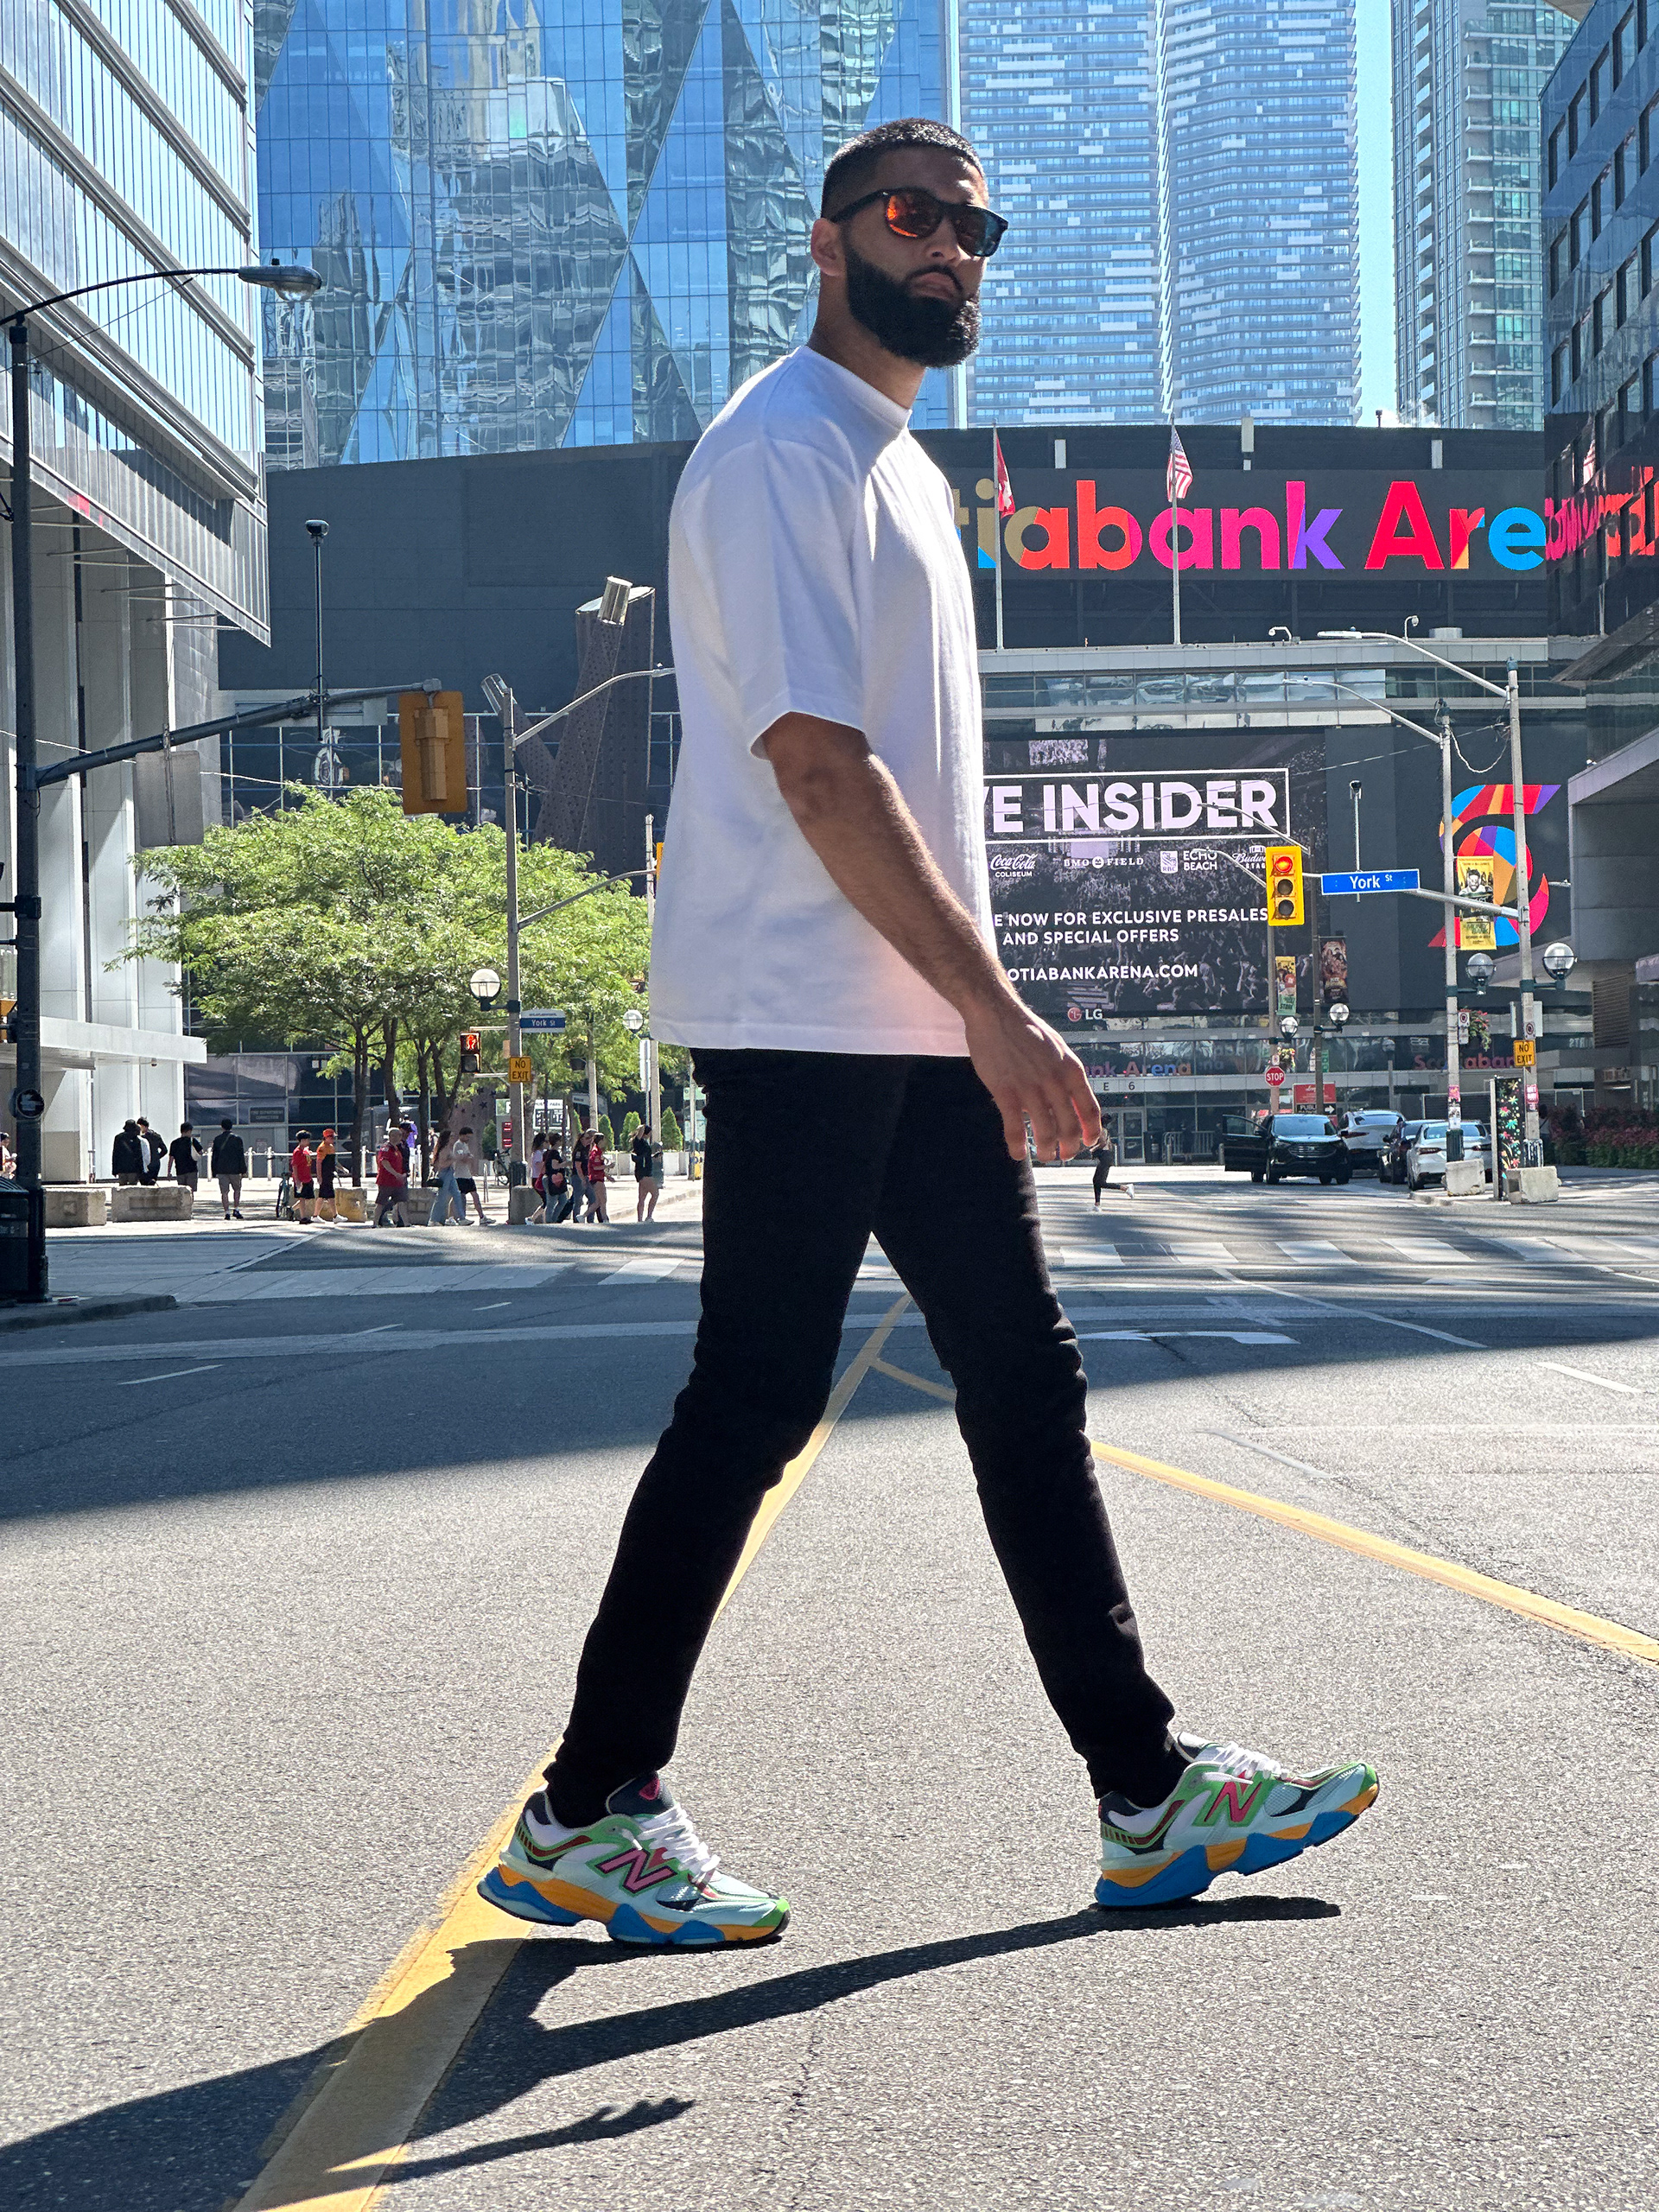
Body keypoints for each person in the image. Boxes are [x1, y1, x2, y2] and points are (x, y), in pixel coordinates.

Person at [478, 118, 1376, 1950]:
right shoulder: (781, 452)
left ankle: (1147, 1790)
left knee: (1024, 1380)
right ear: (827, 243)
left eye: (978, 228)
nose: (952, 250)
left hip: (895, 1020)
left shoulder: (895, 469)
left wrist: (969, 1014)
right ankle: (588, 1802)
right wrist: (1003, 1009)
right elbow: (817, 764)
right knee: (753, 1400)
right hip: (810, 1015)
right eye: (915, 218)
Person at [451, 1123, 490, 1224]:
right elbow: (461, 1158)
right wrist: (468, 1157)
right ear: (463, 1135)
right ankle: (461, 1217)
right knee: (462, 1197)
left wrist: (469, 1157)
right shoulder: (458, 1144)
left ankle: (482, 1217)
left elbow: (468, 1157)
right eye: (467, 1137)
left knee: (475, 1195)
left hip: (467, 1175)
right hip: (460, 1176)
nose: (468, 1139)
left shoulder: (465, 1145)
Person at [374, 1121, 409, 1227]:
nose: (396, 1137)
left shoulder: (397, 1148)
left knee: (401, 1201)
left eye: (398, 1135)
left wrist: (403, 1175)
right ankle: (375, 1223)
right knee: (381, 1203)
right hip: (386, 1181)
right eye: (393, 1135)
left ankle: (406, 1223)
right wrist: (395, 1174)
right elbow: (384, 1162)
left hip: (397, 1182)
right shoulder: (386, 1148)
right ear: (389, 1136)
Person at [211, 1118, 246, 1218]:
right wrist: (243, 1169)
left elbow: (215, 1157)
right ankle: (236, 1209)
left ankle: (227, 1212)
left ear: (222, 1127)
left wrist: (214, 1170)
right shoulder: (237, 1139)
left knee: (224, 1192)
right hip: (235, 1170)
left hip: (222, 1170)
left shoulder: (217, 1139)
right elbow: (240, 1156)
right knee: (237, 1189)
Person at [632, 1123, 664, 1221]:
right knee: (655, 1193)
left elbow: (645, 1156)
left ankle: (640, 1219)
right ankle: (649, 1216)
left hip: (645, 1171)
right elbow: (640, 1134)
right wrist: (643, 1127)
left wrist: (654, 1156)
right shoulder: (638, 1142)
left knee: (642, 1197)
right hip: (643, 1172)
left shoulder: (644, 1143)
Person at [429, 1128, 461, 1226]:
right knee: (441, 1198)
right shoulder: (444, 1149)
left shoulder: (449, 1148)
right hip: (444, 1173)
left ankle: (459, 1217)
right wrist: (454, 1159)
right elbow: (442, 1164)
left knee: (455, 1194)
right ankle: (433, 1220)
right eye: (451, 1136)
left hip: (450, 1173)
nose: (453, 1138)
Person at [168, 1122, 203, 1201]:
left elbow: (171, 1158)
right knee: (191, 1191)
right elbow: (201, 1152)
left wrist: (169, 1171)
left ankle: (183, 1207)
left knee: (182, 1192)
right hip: (192, 1170)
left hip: (180, 1171)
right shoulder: (193, 1141)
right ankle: (190, 1207)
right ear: (189, 1131)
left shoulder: (175, 1143)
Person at [583, 1128, 608, 1223]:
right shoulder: (596, 1152)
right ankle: (605, 1219)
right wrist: (607, 1166)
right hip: (597, 1178)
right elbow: (596, 1167)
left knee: (597, 1202)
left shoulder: (598, 1151)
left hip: (598, 1177)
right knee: (603, 1200)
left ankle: (583, 1216)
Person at [289, 1130, 315, 1223]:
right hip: (301, 1178)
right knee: (302, 1198)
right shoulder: (297, 1152)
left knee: (308, 1198)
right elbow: (295, 1166)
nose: (308, 1141)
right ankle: (303, 1217)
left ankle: (292, 1209)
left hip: (307, 1177)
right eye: (307, 1140)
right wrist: (297, 1180)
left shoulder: (306, 1150)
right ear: (302, 1140)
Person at [569, 1128, 593, 1223]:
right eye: (587, 1138)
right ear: (581, 1139)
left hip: (587, 1176)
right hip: (578, 1177)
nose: (589, 1140)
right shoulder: (579, 1151)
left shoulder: (587, 1150)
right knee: (578, 1200)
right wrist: (582, 1179)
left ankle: (590, 1219)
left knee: (593, 1198)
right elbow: (578, 1166)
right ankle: (576, 1219)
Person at [315, 1128, 339, 1222]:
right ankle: (335, 1216)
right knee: (328, 1196)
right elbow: (318, 1163)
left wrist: (341, 1168)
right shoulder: (322, 1148)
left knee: (324, 1196)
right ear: (326, 1137)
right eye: (332, 1137)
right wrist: (319, 1176)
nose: (333, 1139)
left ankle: (316, 1215)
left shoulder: (331, 1147)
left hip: (329, 1174)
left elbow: (333, 1161)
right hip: (325, 1175)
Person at [111, 1120, 143, 1185]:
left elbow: (115, 1154)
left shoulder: (118, 1138)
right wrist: (141, 1169)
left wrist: (114, 1170)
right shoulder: (136, 1139)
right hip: (133, 1169)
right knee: (133, 1190)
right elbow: (139, 1155)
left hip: (121, 1169)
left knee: (122, 1189)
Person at [1090, 1126, 1116, 1205]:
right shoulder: (1105, 1131)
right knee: (1096, 1180)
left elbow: (1103, 1143)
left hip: (1105, 1158)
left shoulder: (1102, 1130)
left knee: (1101, 1182)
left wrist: (1093, 1149)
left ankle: (1126, 1188)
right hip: (1106, 1158)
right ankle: (1097, 1203)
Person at [137, 1116, 163, 1185]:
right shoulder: (157, 1136)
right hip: (156, 1164)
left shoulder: (141, 1138)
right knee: (152, 1184)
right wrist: (157, 1157)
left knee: (144, 1185)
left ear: (142, 1126)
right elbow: (165, 1150)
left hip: (145, 1164)